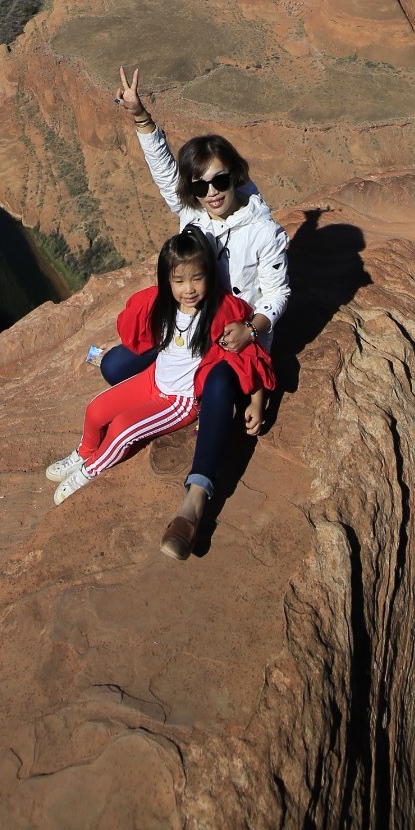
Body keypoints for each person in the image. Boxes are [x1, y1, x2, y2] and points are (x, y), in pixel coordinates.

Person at [105, 64, 291, 558]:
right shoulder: (194, 213)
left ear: (237, 177)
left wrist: (252, 350)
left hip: (233, 338)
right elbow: (167, 174)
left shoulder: (263, 231)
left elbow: (276, 295)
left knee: (219, 388)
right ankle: (175, 393)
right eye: (201, 185)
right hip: (187, 329)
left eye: (220, 181)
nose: (210, 193)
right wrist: (141, 117)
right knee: (112, 366)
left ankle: (195, 501)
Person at [46, 229, 274, 553]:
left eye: (197, 278)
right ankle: (84, 452)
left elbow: (248, 356)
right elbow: (136, 326)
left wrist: (257, 398)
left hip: (179, 401)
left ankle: (90, 470)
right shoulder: (165, 304)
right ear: (167, 280)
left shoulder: (221, 313)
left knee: (124, 428)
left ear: (210, 274)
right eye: (179, 280)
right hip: (153, 379)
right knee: (96, 410)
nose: (189, 289)